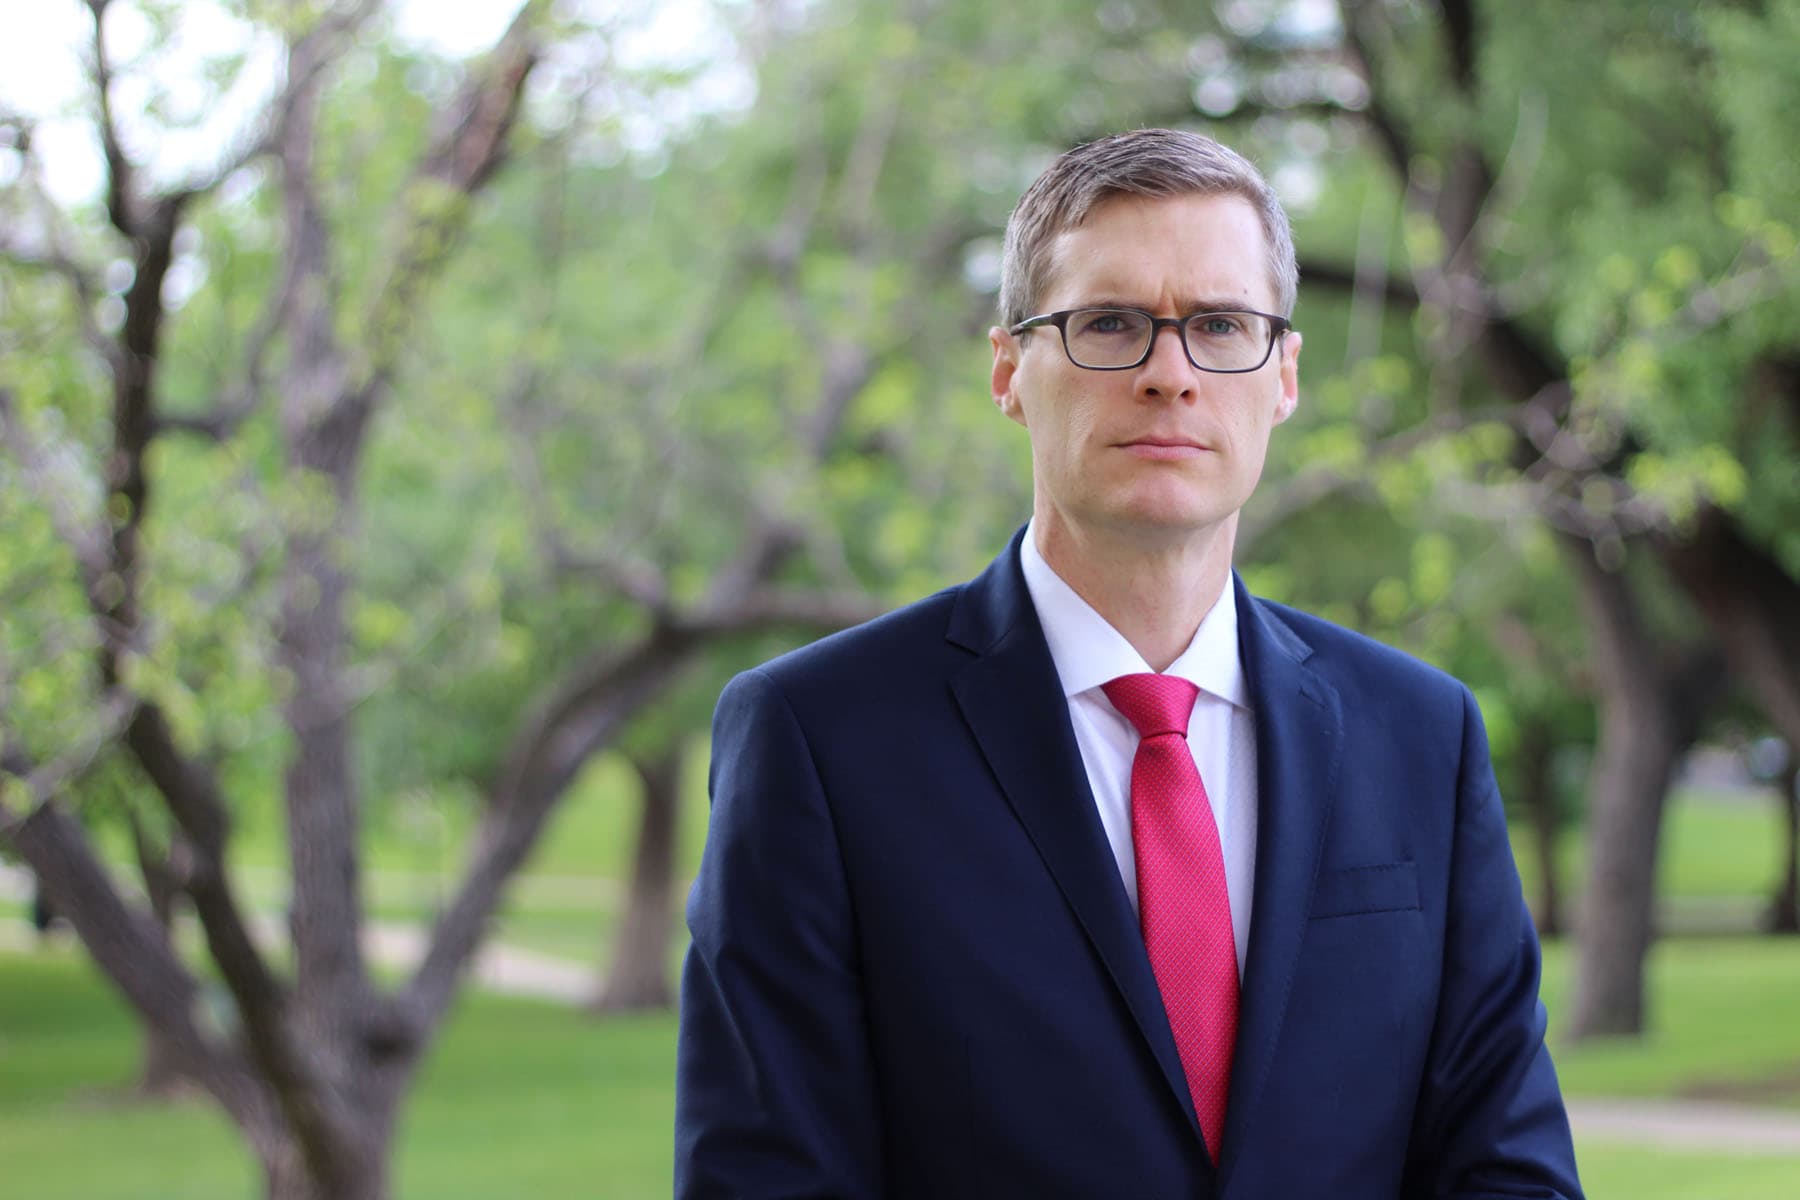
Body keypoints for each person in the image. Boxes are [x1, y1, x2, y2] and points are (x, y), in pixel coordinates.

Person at [675, 128, 1582, 1199]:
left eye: (1221, 326)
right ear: (1011, 369)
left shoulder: (1422, 736)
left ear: (1283, 376)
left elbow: (1507, 1167)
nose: (1170, 374)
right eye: (1110, 324)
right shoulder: (820, 739)